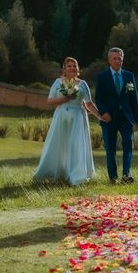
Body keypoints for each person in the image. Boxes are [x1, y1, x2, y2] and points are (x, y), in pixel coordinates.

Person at [33, 57, 101, 185]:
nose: (72, 68)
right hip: (61, 116)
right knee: (59, 144)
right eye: (69, 66)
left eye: (74, 66)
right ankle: (57, 172)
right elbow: (50, 101)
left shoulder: (82, 84)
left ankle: (76, 174)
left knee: (76, 145)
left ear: (78, 69)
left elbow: (89, 103)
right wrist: (64, 99)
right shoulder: (58, 82)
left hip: (78, 118)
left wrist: (100, 117)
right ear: (64, 69)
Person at [95, 47, 138, 184]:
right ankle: (113, 177)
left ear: (122, 59)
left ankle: (126, 175)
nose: (117, 61)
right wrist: (103, 113)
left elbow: (134, 99)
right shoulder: (102, 77)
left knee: (128, 145)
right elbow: (99, 98)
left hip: (126, 118)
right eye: (114, 58)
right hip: (108, 119)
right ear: (109, 60)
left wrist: (137, 119)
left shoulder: (129, 76)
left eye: (119, 58)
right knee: (110, 148)